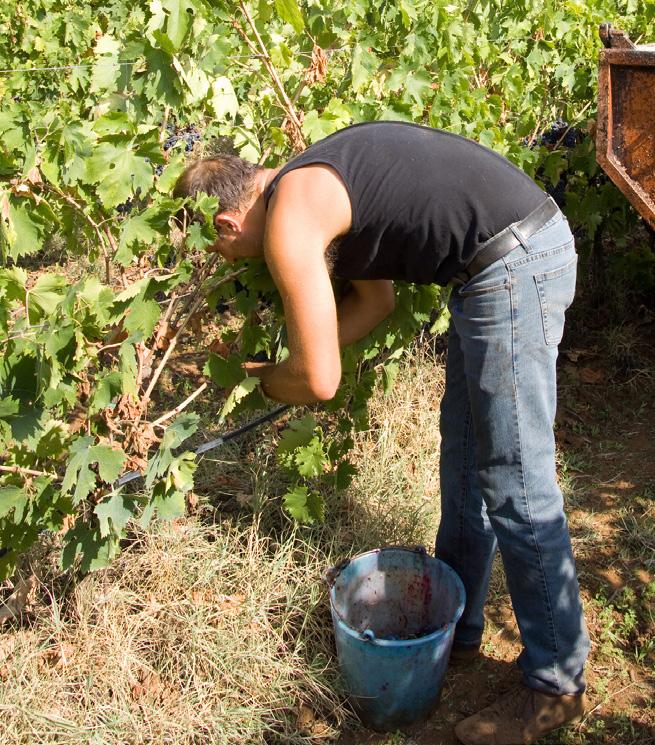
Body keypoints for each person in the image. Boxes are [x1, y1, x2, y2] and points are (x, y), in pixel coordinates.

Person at [174, 121, 590, 745]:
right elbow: (376, 304)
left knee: (515, 480)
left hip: (514, 262)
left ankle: (557, 685)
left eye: (218, 251)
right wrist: (284, 368)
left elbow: (320, 381)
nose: (227, 263)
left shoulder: (291, 217)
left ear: (226, 225)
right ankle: (460, 632)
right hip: (493, 269)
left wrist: (268, 382)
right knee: (466, 467)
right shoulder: (309, 186)